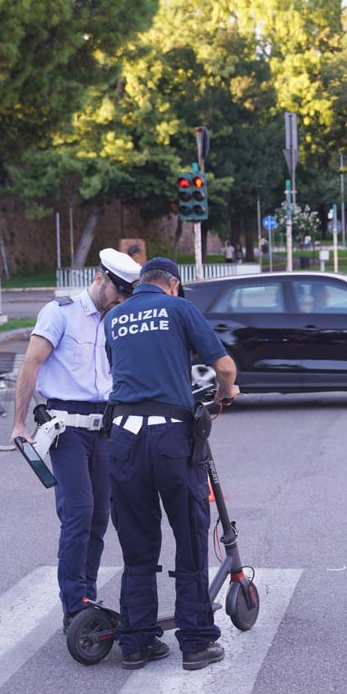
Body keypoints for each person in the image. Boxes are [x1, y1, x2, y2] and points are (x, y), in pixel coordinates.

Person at [103, 257, 238, 671]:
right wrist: (226, 394)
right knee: (190, 537)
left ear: (140, 282)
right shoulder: (179, 308)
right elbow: (225, 367)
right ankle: (196, 642)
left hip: (123, 438)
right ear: (173, 285)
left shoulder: (114, 318)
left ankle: (137, 642)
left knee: (138, 543)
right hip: (170, 439)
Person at [10, 248, 142, 632]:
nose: (119, 299)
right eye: (117, 290)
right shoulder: (61, 312)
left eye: (125, 294)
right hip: (66, 430)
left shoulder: (114, 319)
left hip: (104, 429)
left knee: (101, 517)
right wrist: (19, 423)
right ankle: (74, 606)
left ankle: (86, 594)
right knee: (78, 515)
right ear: (100, 278)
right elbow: (31, 363)